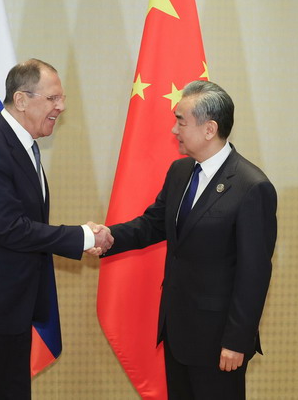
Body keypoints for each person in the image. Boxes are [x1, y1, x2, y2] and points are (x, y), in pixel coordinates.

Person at [0, 59, 113, 399]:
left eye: (61, 99)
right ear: (21, 100)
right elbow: (11, 229)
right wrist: (85, 236)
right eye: (52, 99)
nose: (61, 107)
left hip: (9, 306)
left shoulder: (22, 144)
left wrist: (82, 235)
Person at [97, 80, 277, 399]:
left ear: (209, 129)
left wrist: (237, 341)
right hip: (178, 332)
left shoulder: (252, 187)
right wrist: (106, 237)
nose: (173, 129)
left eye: (180, 120)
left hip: (219, 341)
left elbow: (254, 274)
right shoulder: (180, 172)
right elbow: (151, 225)